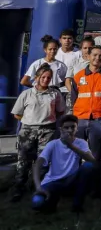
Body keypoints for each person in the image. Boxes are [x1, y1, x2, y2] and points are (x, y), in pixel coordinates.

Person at [11, 64, 67, 201]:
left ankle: (39, 187)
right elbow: (17, 114)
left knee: (43, 161)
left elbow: (60, 111)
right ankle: (19, 187)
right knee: (24, 161)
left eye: (48, 77)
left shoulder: (55, 94)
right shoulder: (26, 94)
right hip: (28, 130)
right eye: (43, 77)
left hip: (47, 130)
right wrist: (30, 120)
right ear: (37, 78)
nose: (46, 80)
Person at [30, 114, 96, 213]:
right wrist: (38, 187)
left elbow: (92, 161)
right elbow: (38, 164)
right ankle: (52, 201)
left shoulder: (81, 143)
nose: (70, 130)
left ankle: (77, 205)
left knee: (88, 166)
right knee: (37, 202)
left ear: (77, 128)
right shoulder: (53, 144)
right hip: (53, 181)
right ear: (61, 129)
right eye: (66, 127)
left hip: (72, 180)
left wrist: (70, 146)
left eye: (73, 127)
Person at [72, 45, 101, 163]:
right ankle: (74, 177)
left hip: (100, 119)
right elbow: (73, 98)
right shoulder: (78, 76)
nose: (97, 58)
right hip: (80, 118)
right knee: (76, 152)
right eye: (94, 55)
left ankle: (95, 177)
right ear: (88, 56)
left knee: (96, 153)